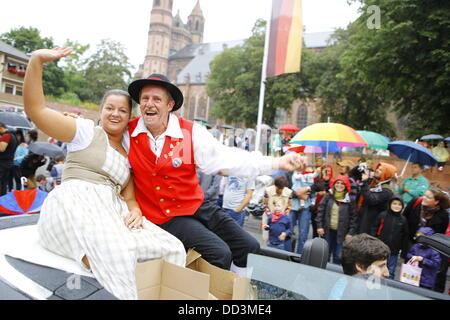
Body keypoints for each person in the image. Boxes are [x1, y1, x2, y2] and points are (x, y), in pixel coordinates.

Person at [24, 47, 186, 300]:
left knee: (173, 247)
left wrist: (134, 210)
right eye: (110, 108)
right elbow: (37, 110)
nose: (115, 114)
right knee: (117, 252)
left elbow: (129, 195)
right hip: (74, 206)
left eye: (122, 110)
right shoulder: (85, 132)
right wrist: (36, 62)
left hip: (112, 212)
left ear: (129, 116)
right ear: (101, 111)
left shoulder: (130, 148)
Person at [125, 73, 307, 274]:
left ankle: (237, 294)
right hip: (163, 215)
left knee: (249, 248)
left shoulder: (189, 132)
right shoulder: (128, 133)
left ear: (170, 105)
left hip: (196, 204)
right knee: (219, 253)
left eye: (157, 99)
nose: (149, 104)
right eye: (145, 99)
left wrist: (277, 161)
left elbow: (225, 159)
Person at [402, 187, 450, 293]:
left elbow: (438, 238)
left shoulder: (443, 215)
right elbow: (404, 219)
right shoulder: (415, 203)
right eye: (425, 195)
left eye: (428, 197)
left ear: (436, 201)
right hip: (411, 243)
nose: (424, 198)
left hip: (428, 250)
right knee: (409, 274)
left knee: (423, 277)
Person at [316, 176, 358, 264]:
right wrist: (319, 226)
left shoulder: (350, 200)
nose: (339, 185)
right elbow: (320, 211)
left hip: (342, 233)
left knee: (338, 256)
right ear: (334, 184)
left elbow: (354, 218)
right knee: (324, 254)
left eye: (342, 183)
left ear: (346, 186)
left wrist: (350, 233)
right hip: (327, 231)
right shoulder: (328, 196)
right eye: (337, 183)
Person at [371, 195, 409, 279]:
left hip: (394, 250)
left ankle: (388, 288)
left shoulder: (403, 220)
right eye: (394, 203)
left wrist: (403, 253)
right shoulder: (382, 215)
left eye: (399, 204)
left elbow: (405, 236)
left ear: (402, 206)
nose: (397, 206)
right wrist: (373, 243)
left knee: (390, 271)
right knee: (377, 268)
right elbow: (374, 229)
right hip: (380, 249)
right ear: (390, 204)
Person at [356, 162, 397, 234]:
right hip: (361, 222)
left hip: (370, 229)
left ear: (387, 174)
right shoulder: (374, 184)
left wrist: (365, 182)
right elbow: (353, 174)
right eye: (377, 168)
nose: (377, 170)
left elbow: (370, 199)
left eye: (381, 170)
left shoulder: (387, 191)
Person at [290, 164, 319, 254]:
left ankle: (299, 256)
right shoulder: (293, 175)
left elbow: (316, 188)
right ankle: (287, 253)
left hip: (306, 207)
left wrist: (308, 191)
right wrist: (298, 193)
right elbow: (288, 188)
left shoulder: (312, 178)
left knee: (303, 234)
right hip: (292, 206)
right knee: (288, 231)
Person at [262, 176, 293, 247]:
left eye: (282, 188)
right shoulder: (268, 190)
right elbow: (264, 205)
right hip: (269, 216)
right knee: (265, 238)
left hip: (282, 218)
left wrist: (284, 216)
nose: (280, 190)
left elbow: (289, 206)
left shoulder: (289, 192)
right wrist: (270, 215)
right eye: (278, 188)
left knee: (280, 239)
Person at [311, 164, 333, 238]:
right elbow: (313, 190)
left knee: (324, 233)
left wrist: (325, 193)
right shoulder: (316, 180)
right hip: (316, 209)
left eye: (329, 171)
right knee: (315, 231)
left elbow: (331, 192)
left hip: (326, 210)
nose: (327, 172)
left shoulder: (333, 182)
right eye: (325, 170)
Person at [0, 122, 18, 195]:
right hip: (9, 162)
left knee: (1, 182)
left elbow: (1, 148)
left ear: (1, 128)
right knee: (4, 183)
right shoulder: (13, 136)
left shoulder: (6, 136)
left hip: (3, 163)